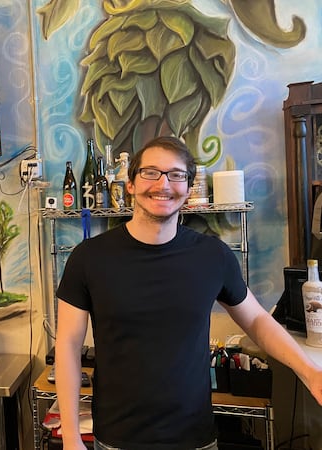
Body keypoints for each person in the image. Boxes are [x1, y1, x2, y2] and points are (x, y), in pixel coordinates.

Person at [54, 136, 322, 450]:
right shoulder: (89, 258)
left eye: (176, 175)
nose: (163, 184)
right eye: (150, 172)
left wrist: (309, 370)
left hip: (195, 438)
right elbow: (69, 346)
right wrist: (72, 435)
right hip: (116, 438)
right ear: (130, 184)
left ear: (188, 187)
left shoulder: (213, 255)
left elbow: (258, 322)